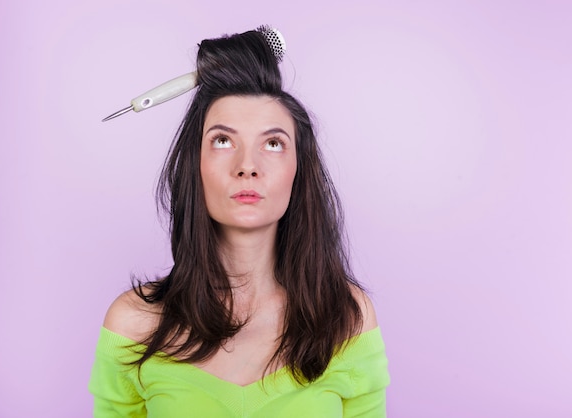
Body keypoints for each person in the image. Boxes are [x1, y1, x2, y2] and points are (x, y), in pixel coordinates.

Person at [89, 27, 390, 417]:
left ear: (299, 170)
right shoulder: (133, 324)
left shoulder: (347, 317)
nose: (247, 166)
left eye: (273, 143)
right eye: (222, 140)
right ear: (194, 165)